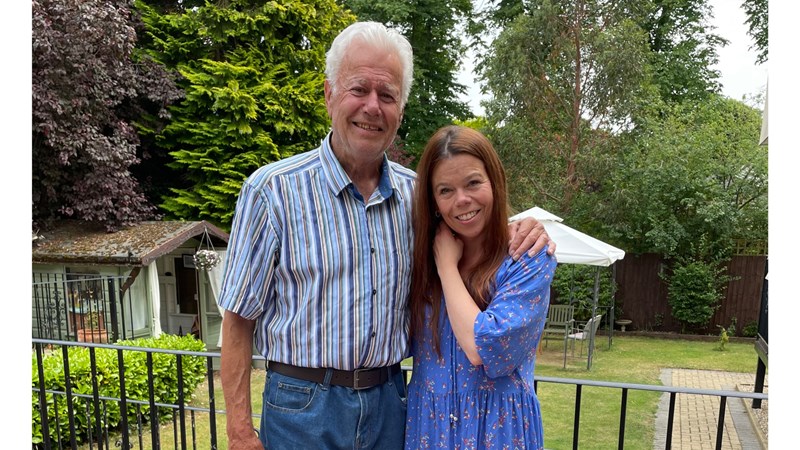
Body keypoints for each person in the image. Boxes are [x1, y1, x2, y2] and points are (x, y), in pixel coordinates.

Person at [217, 22, 553, 450]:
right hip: (302, 407)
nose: (372, 107)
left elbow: (470, 218)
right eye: (359, 89)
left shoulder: (420, 196)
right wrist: (239, 432)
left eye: (388, 95)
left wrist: (519, 227)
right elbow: (238, 319)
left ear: (401, 109)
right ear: (329, 94)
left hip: (391, 406)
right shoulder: (272, 191)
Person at [405, 125, 557, 449]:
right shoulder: (419, 263)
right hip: (429, 430)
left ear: (495, 182)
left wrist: (447, 267)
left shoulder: (527, 259)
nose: (462, 200)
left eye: (473, 183)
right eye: (445, 190)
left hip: (499, 433)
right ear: (433, 201)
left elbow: (486, 347)